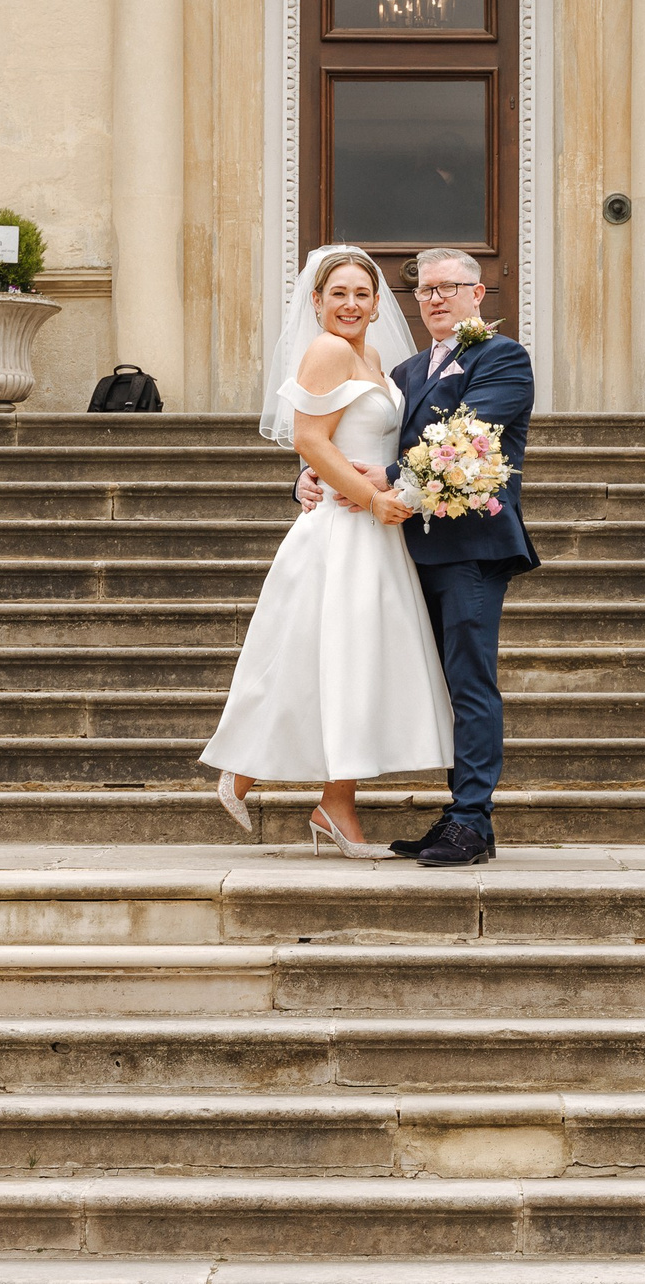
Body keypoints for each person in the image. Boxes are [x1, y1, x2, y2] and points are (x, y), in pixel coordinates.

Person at [199, 249, 453, 859]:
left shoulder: (374, 358)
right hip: (342, 532)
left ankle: (334, 803)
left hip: (373, 531)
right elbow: (310, 439)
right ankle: (245, 766)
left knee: (353, 665)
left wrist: (390, 490)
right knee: (319, 656)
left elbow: (346, 439)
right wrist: (368, 498)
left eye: (362, 294)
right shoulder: (329, 351)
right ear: (316, 302)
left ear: (376, 301)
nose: (351, 305)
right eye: (337, 294)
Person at [298, 247, 538, 867]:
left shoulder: (502, 357)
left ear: (477, 295)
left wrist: (386, 476)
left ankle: (471, 821)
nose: (435, 298)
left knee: (469, 681)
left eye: (449, 288)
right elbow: (347, 430)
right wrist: (310, 478)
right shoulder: (401, 371)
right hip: (403, 550)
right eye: (425, 290)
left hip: (470, 547)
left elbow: (471, 439)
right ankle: (453, 814)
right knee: (430, 683)